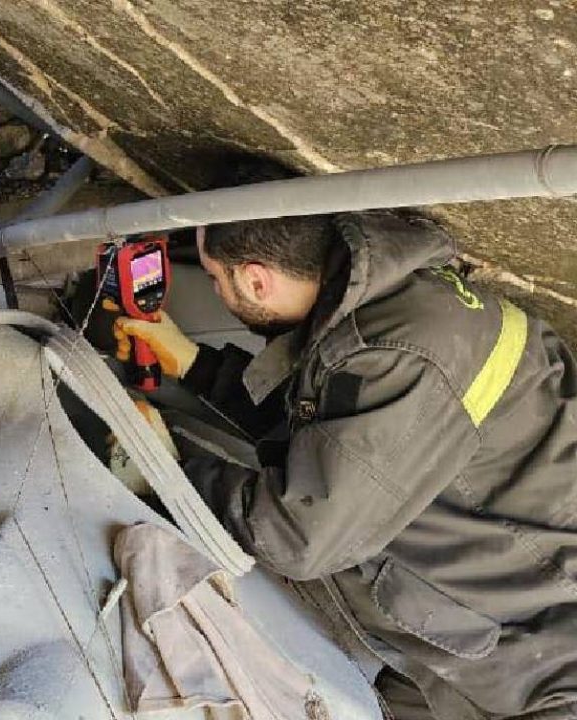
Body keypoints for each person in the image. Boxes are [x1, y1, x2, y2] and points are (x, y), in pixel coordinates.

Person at [118, 211, 577, 719]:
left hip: (542, 664)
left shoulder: (400, 353)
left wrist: (169, 474)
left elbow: (298, 536)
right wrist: (195, 365)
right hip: (485, 625)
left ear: (255, 280)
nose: (217, 292)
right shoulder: (402, 300)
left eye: (214, 279)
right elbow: (342, 435)